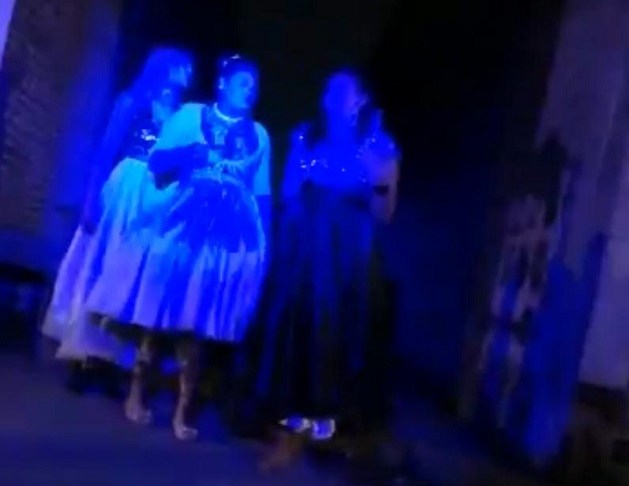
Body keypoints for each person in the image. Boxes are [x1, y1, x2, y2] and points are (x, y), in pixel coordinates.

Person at [84, 55, 270, 441]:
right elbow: (157, 163)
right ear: (223, 83)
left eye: (254, 84)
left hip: (226, 235)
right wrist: (189, 154)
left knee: (197, 322)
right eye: (242, 81)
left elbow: (262, 192)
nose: (250, 89)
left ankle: (183, 410)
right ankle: (137, 392)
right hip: (182, 220)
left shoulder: (259, 135)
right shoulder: (189, 116)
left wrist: (264, 245)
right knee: (160, 309)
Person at [240, 69, 400, 469]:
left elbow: (384, 212)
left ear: (360, 99)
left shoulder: (378, 143)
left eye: (342, 90)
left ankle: (326, 429)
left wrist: (375, 173)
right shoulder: (306, 136)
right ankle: (289, 429)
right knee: (296, 333)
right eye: (329, 89)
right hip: (306, 252)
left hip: (349, 257)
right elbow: (289, 193)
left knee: (339, 335)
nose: (331, 95)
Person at [41, 47, 194, 393]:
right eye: (183, 66)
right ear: (166, 66)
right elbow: (105, 151)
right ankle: (84, 355)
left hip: (154, 198)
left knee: (132, 275)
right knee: (103, 264)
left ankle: (115, 357)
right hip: (125, 189)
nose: (188, 73)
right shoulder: (132, 102)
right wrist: (90, 201)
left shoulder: (179, 116)